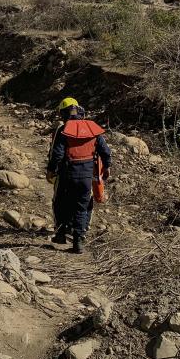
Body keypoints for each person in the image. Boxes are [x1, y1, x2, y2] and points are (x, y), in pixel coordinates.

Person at [46, 98, 111, 254]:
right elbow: (105, 152)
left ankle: (61, 234)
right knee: (82, 208)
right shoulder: (92, 129)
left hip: (66, 175)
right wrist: (107, 167)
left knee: (60, 203)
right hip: (87, 176)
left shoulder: (63, 130)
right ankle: (78, 241)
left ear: (63, 113)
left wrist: (51, 170)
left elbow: (57, 155)